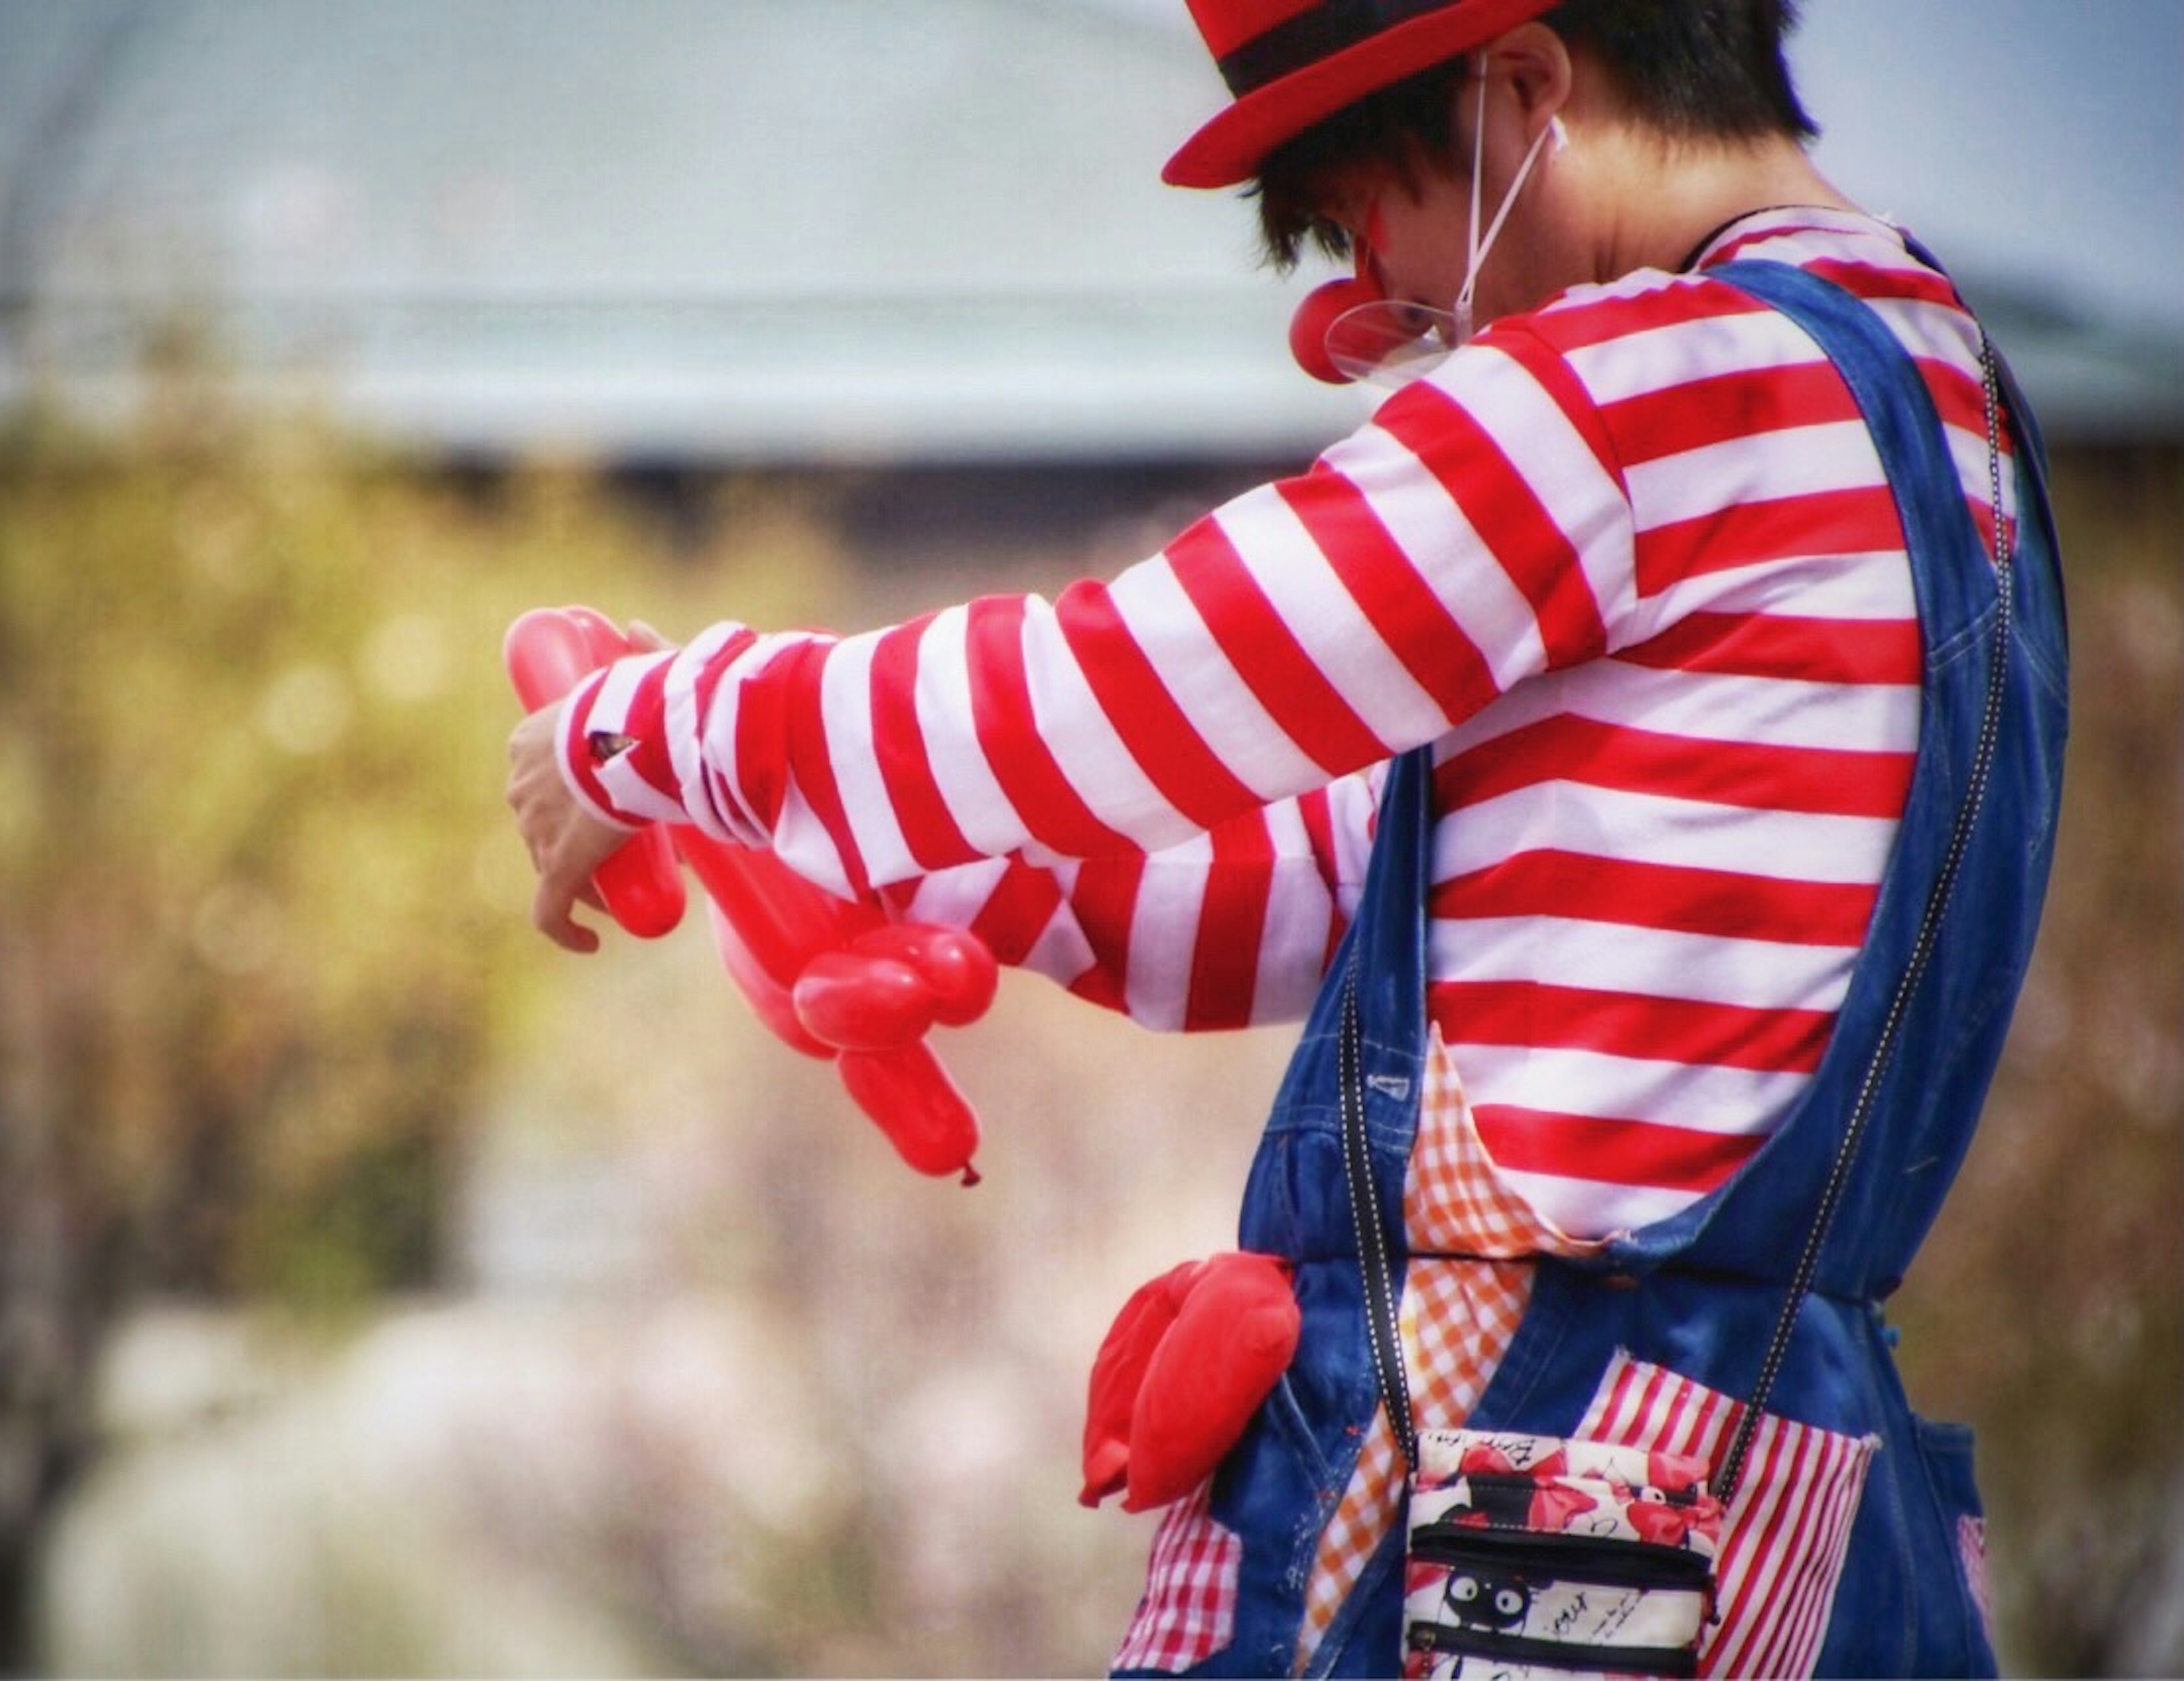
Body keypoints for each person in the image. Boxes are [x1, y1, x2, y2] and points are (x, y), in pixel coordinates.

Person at [506, 1, 2067, 1674]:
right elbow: (1338, 883)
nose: (1372, 315)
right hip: (1795, 1495)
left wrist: (663, 729)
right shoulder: (1953, 412)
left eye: (1360, 222)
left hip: (1535, 1513)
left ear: (1525, 87)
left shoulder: (1647, 388)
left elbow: (1130, 692)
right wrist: (900, 860)